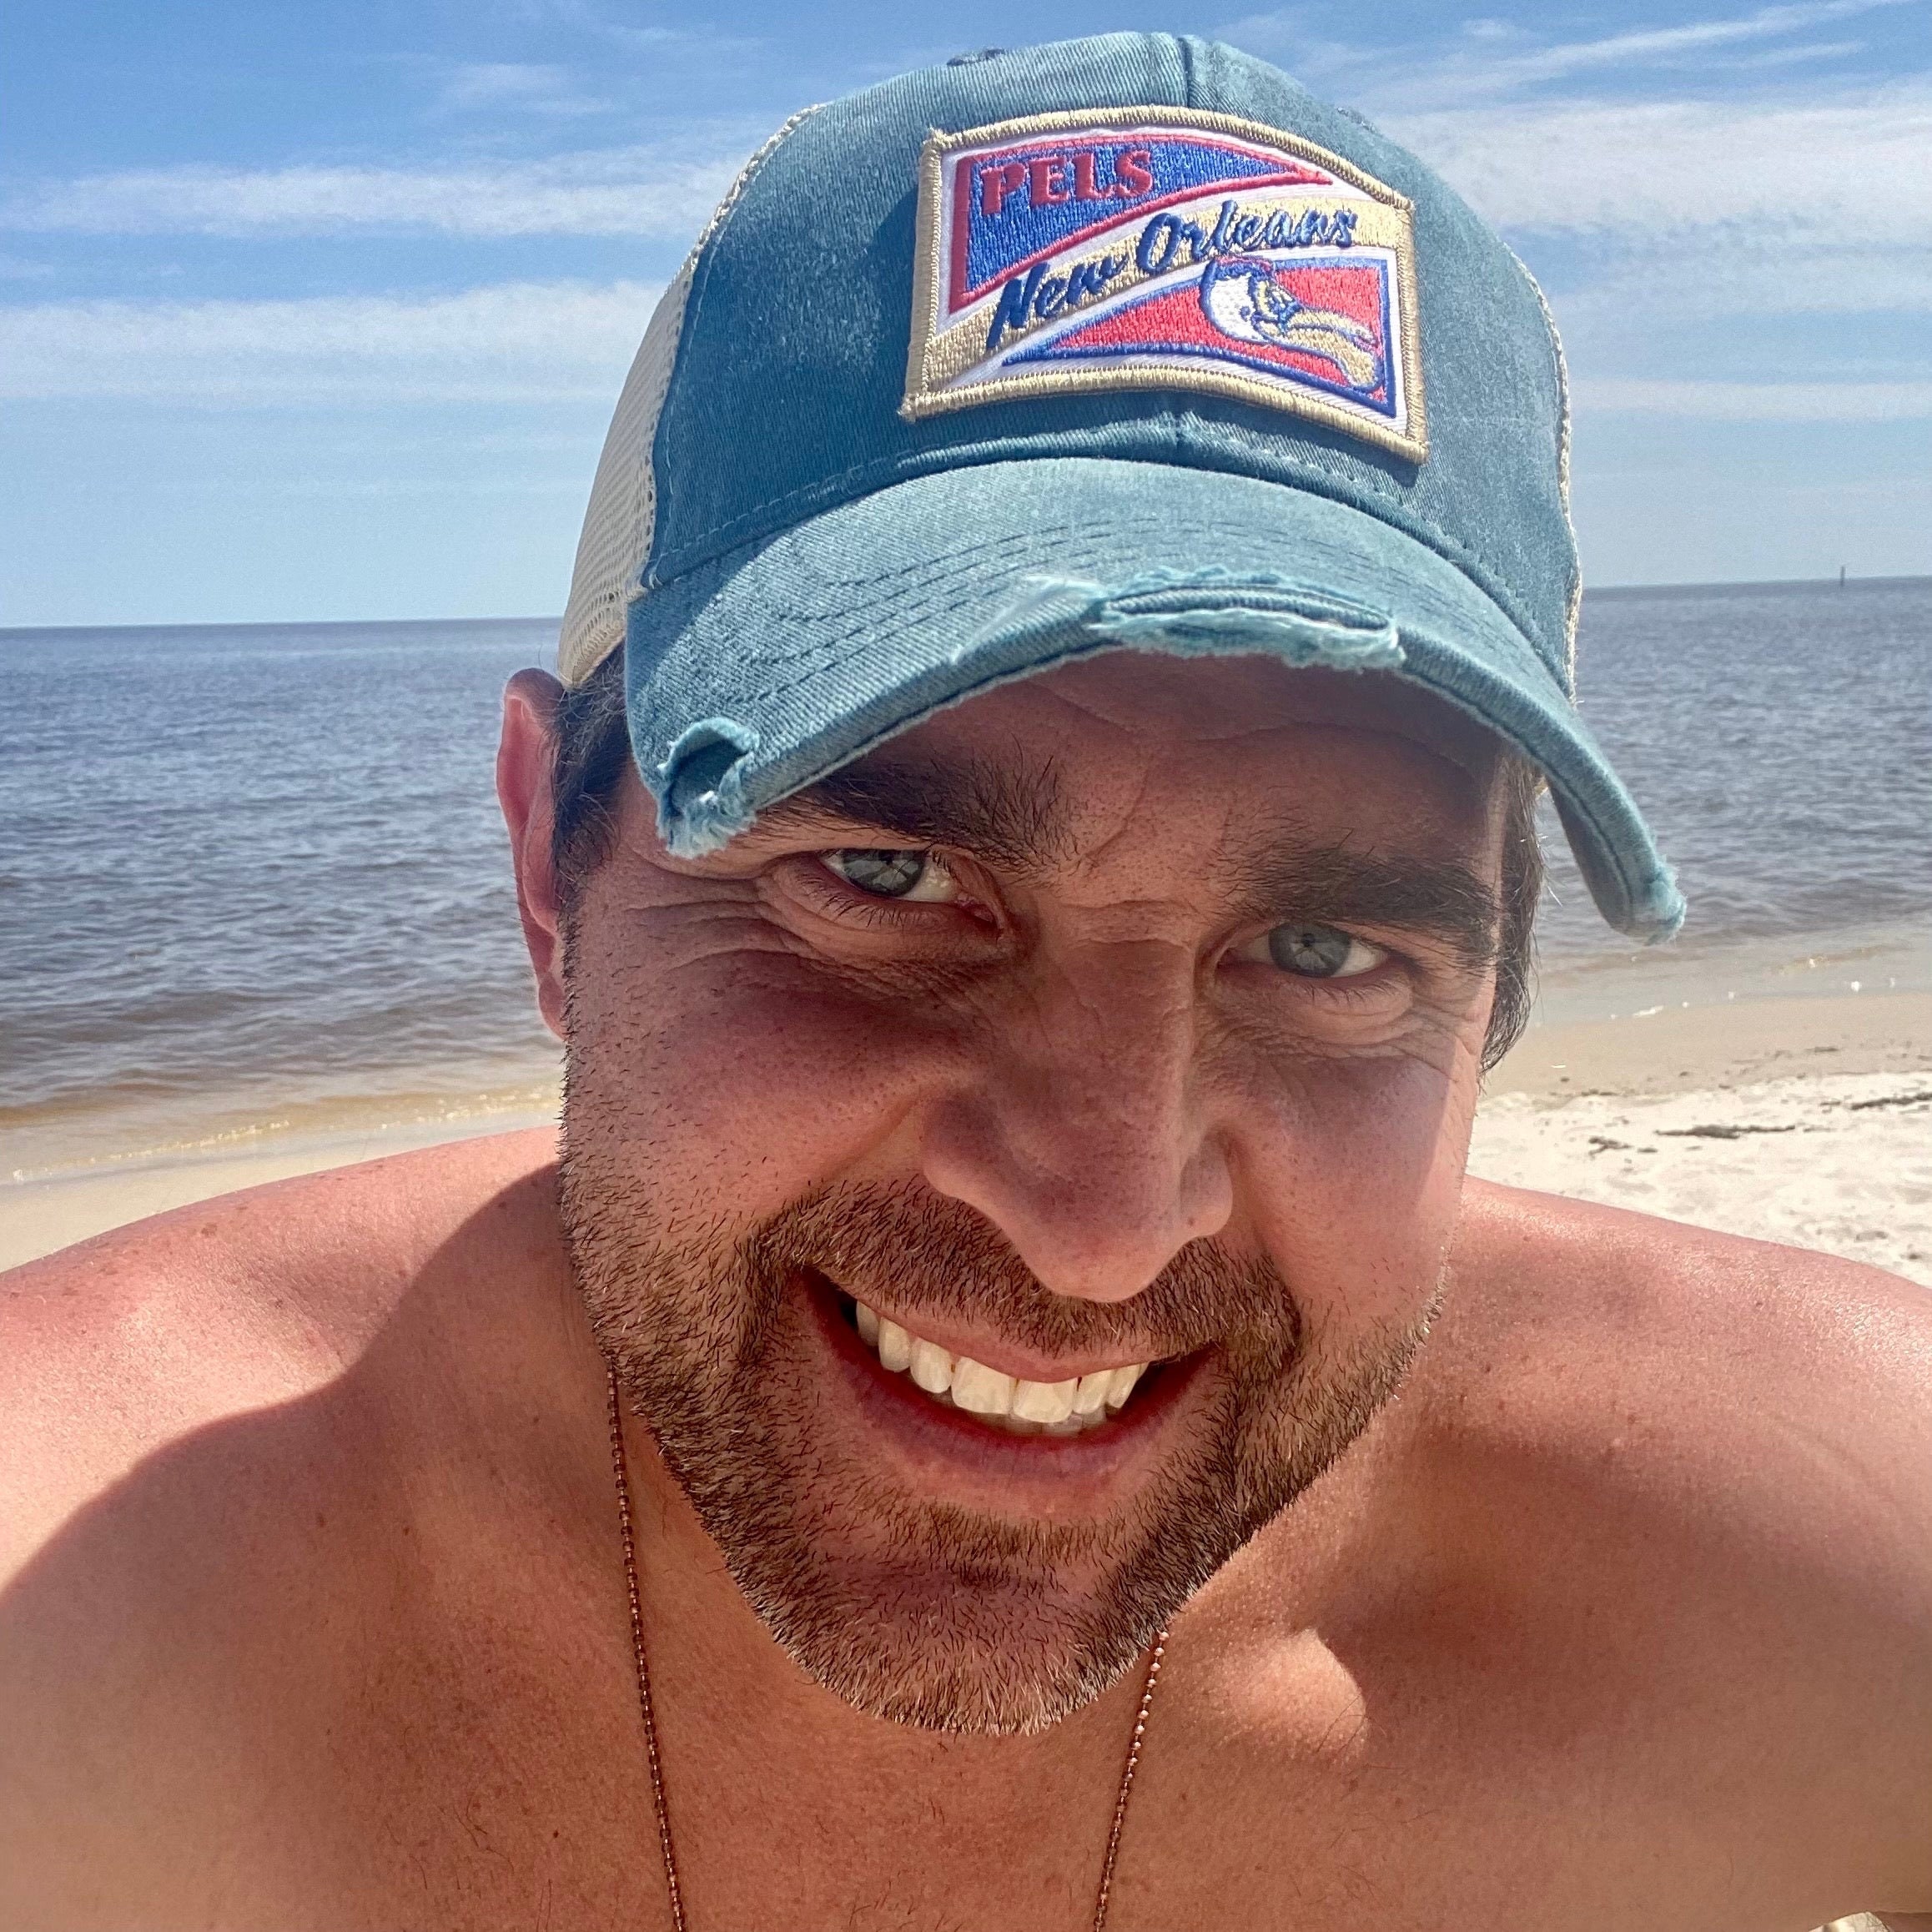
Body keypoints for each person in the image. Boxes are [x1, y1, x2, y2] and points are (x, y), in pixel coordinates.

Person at [3, 35, 1927, 1932]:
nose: (1098, 1229)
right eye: (884, 877)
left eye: (1326, 950)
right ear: (544, 871)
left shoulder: (1823, 1552)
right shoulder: (74, 1619)